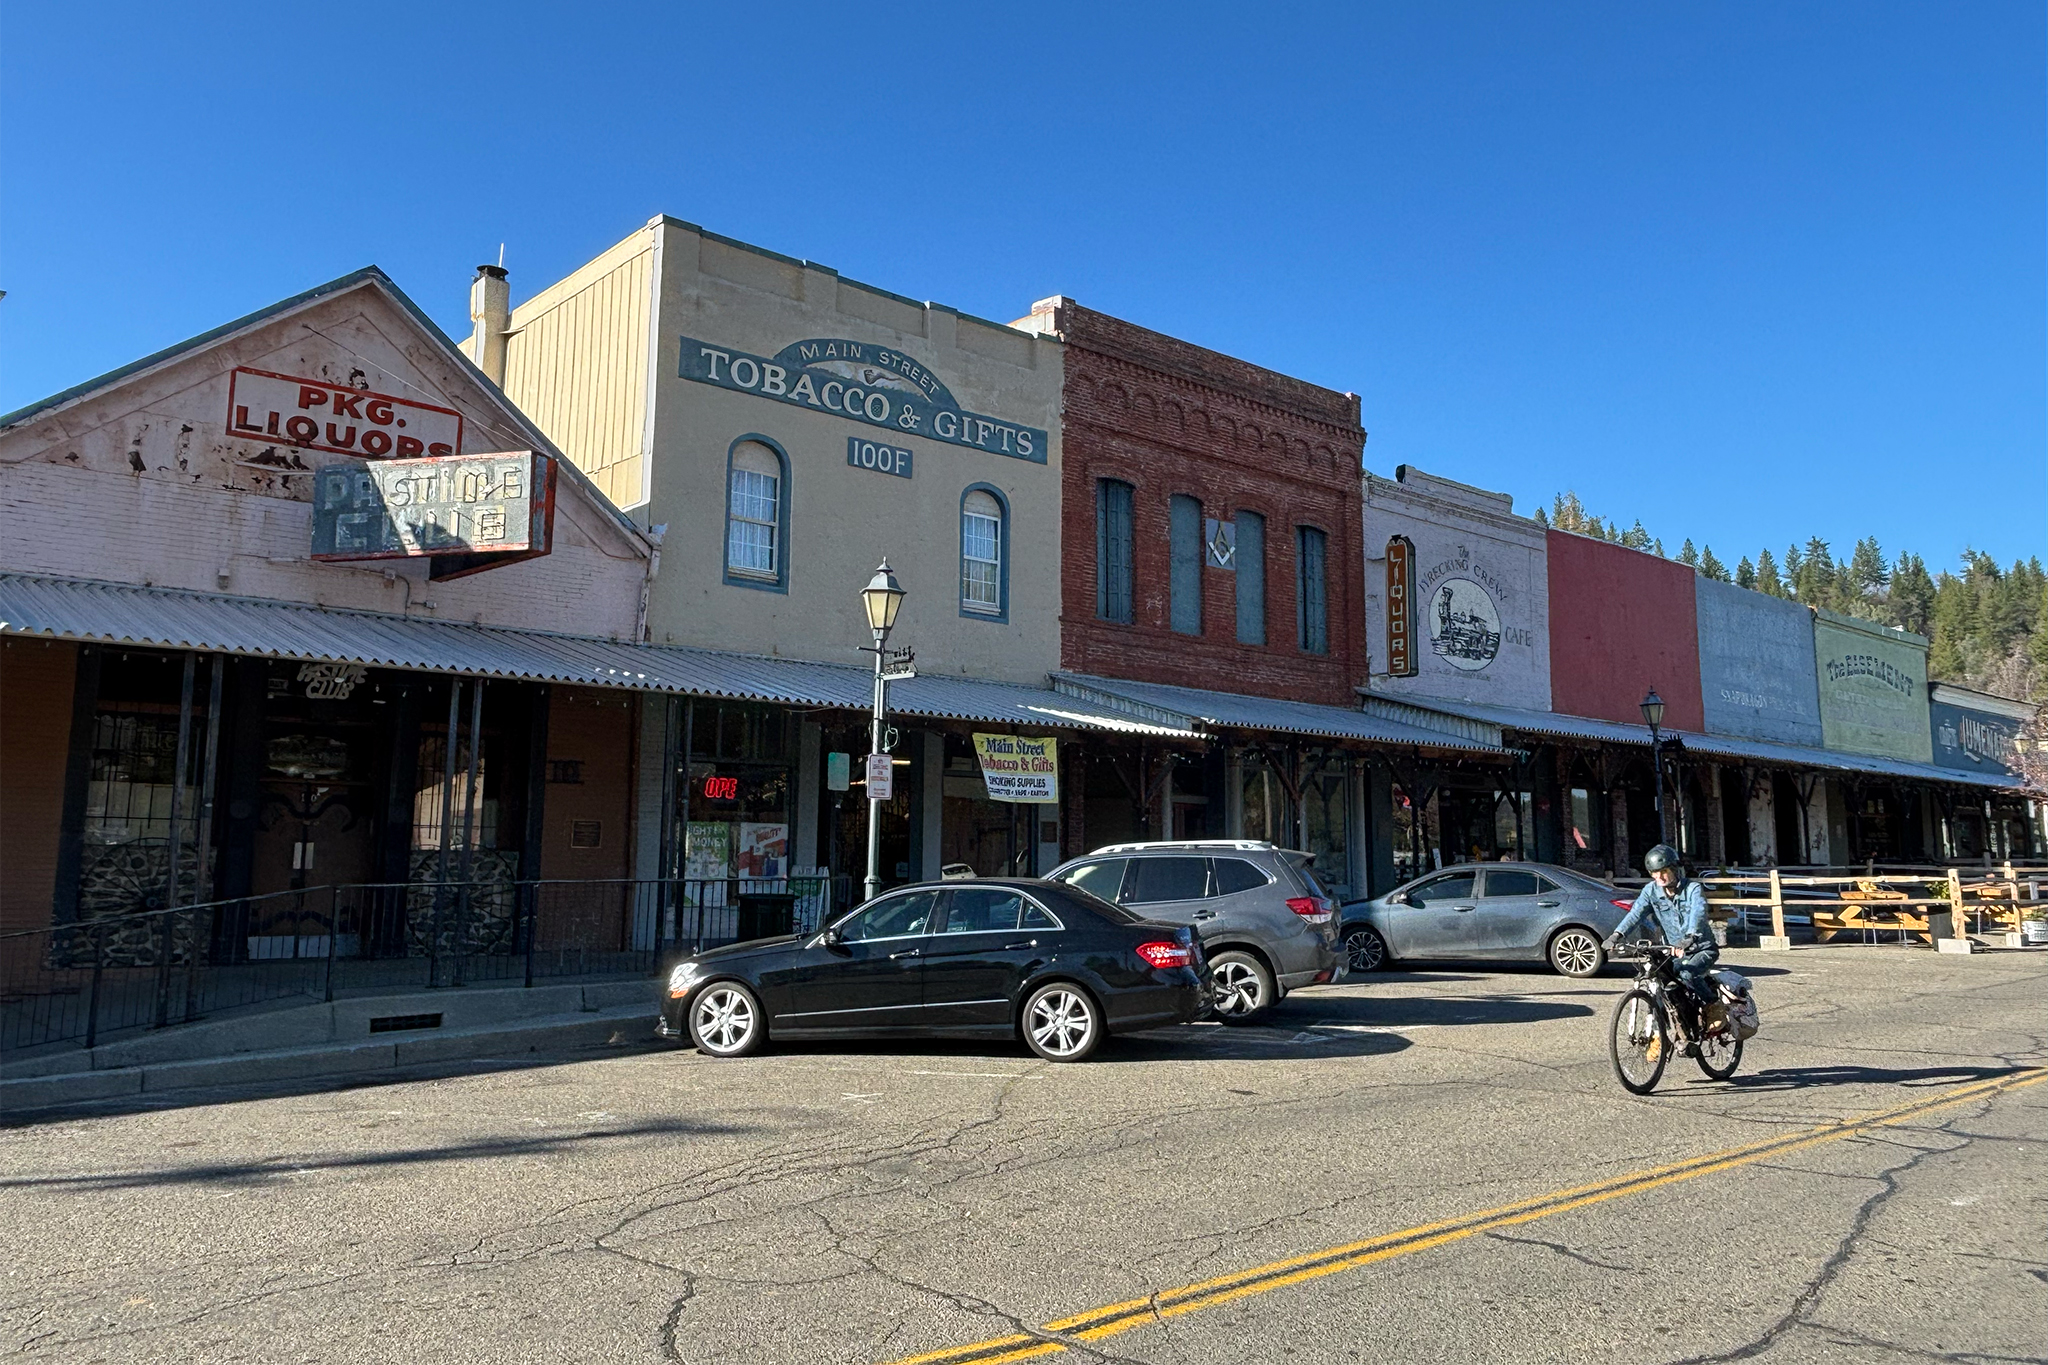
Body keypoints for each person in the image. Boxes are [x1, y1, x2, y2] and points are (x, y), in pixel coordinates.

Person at [1605, 845, 1719, 1048]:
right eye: (1655, 873)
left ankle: (1712, 1005)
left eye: (1664, 871)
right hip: (1674, 950)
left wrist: (1691, 936)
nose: (1660, 877)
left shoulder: (1692, 889)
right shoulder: (1651, 891)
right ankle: (1674, 1029)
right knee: (1662, 978)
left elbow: (1698, 914)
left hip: (1700, 948)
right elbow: (1635, 913)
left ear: (1675, 869)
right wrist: (1617, 934)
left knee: (1687, 973)